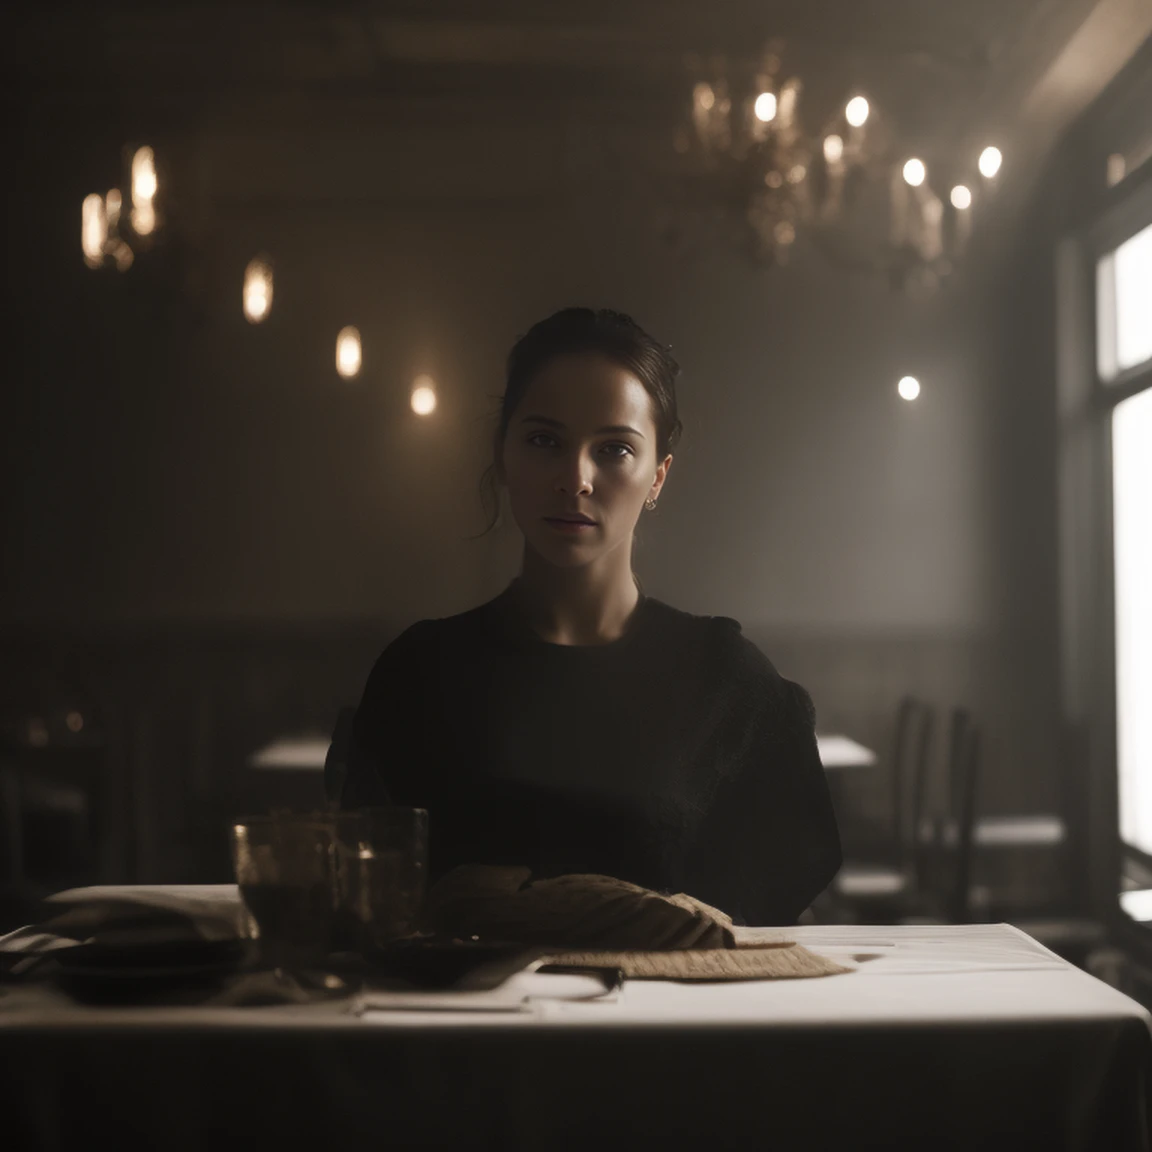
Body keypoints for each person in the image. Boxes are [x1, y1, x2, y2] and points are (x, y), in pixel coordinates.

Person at [331, 307, 841, 927]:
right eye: (545, 441)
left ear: (658, 476)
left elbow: (770, 902)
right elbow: (370, 903)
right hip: (465, 1019)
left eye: (614, 449)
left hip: (676, 1018)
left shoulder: (726, 682)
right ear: (503, 453)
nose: (574, 479)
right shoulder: (420, 673)